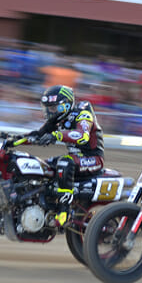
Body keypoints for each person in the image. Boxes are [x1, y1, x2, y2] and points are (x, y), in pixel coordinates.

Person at [27, 85, 105, 227]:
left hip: (93, 158)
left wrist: (56, 135)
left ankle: (64, 212)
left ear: (65, 105)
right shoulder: (58, 119)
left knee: (64, 163)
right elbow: (38, 135)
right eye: (47, 108)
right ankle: (46, 204)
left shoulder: (83, 113)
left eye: (52, 108)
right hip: (76, 158)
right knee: (42, 166)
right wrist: (13, 140)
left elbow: (82, 136)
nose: (49, 112)